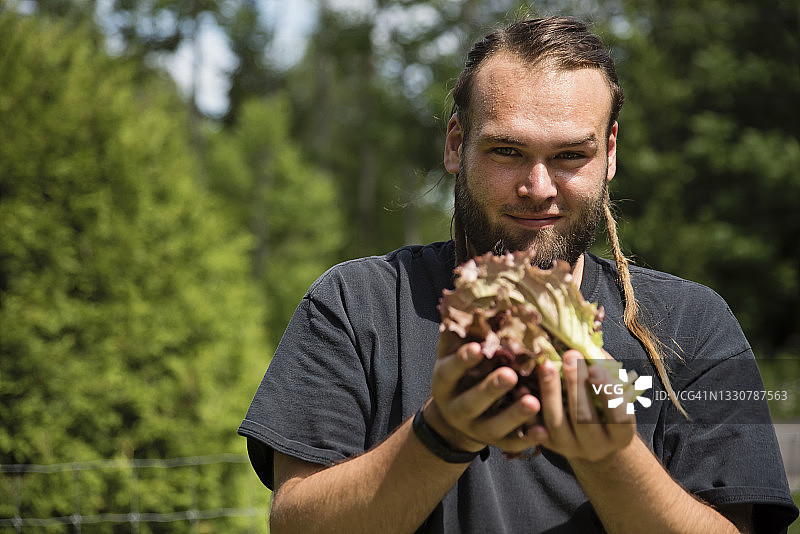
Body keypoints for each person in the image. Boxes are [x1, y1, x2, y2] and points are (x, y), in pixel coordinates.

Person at [238, 16, 798, 534]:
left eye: (570, 156)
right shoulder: (357, 305)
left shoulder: (691, 326)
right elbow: (295, 523)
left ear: (609, 153)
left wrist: (611, 456)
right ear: (456, 146)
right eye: (506, 151)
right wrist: (441, 434)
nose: (538, 188)